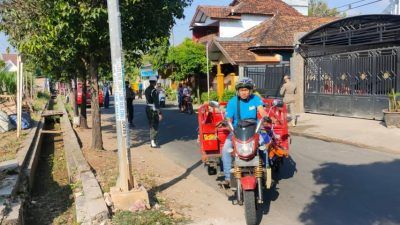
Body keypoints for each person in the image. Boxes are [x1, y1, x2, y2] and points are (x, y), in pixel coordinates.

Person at [221, 77, 268, 185]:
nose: (244, 92)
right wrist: (226, 121)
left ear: (250, 90)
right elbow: (228, 117)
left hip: (253, 130)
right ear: (238, 91)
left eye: (246, 90)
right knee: (225, 149)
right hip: (237, 131)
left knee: (264, 148)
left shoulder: (255, 99)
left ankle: (265, 171)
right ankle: (228, 177)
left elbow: (261, 110)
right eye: (242, 90)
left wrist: (266, 117)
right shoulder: (233, 102)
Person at [145, 76, 163, 148]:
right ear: (155, 82)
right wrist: (159, 113)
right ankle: (153, 142)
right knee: (155, 125)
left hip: (148, 108)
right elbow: (156, 103)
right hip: (153, 109)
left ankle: (152, 141)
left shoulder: (146, 89)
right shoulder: (154, 91)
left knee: (151, 124)